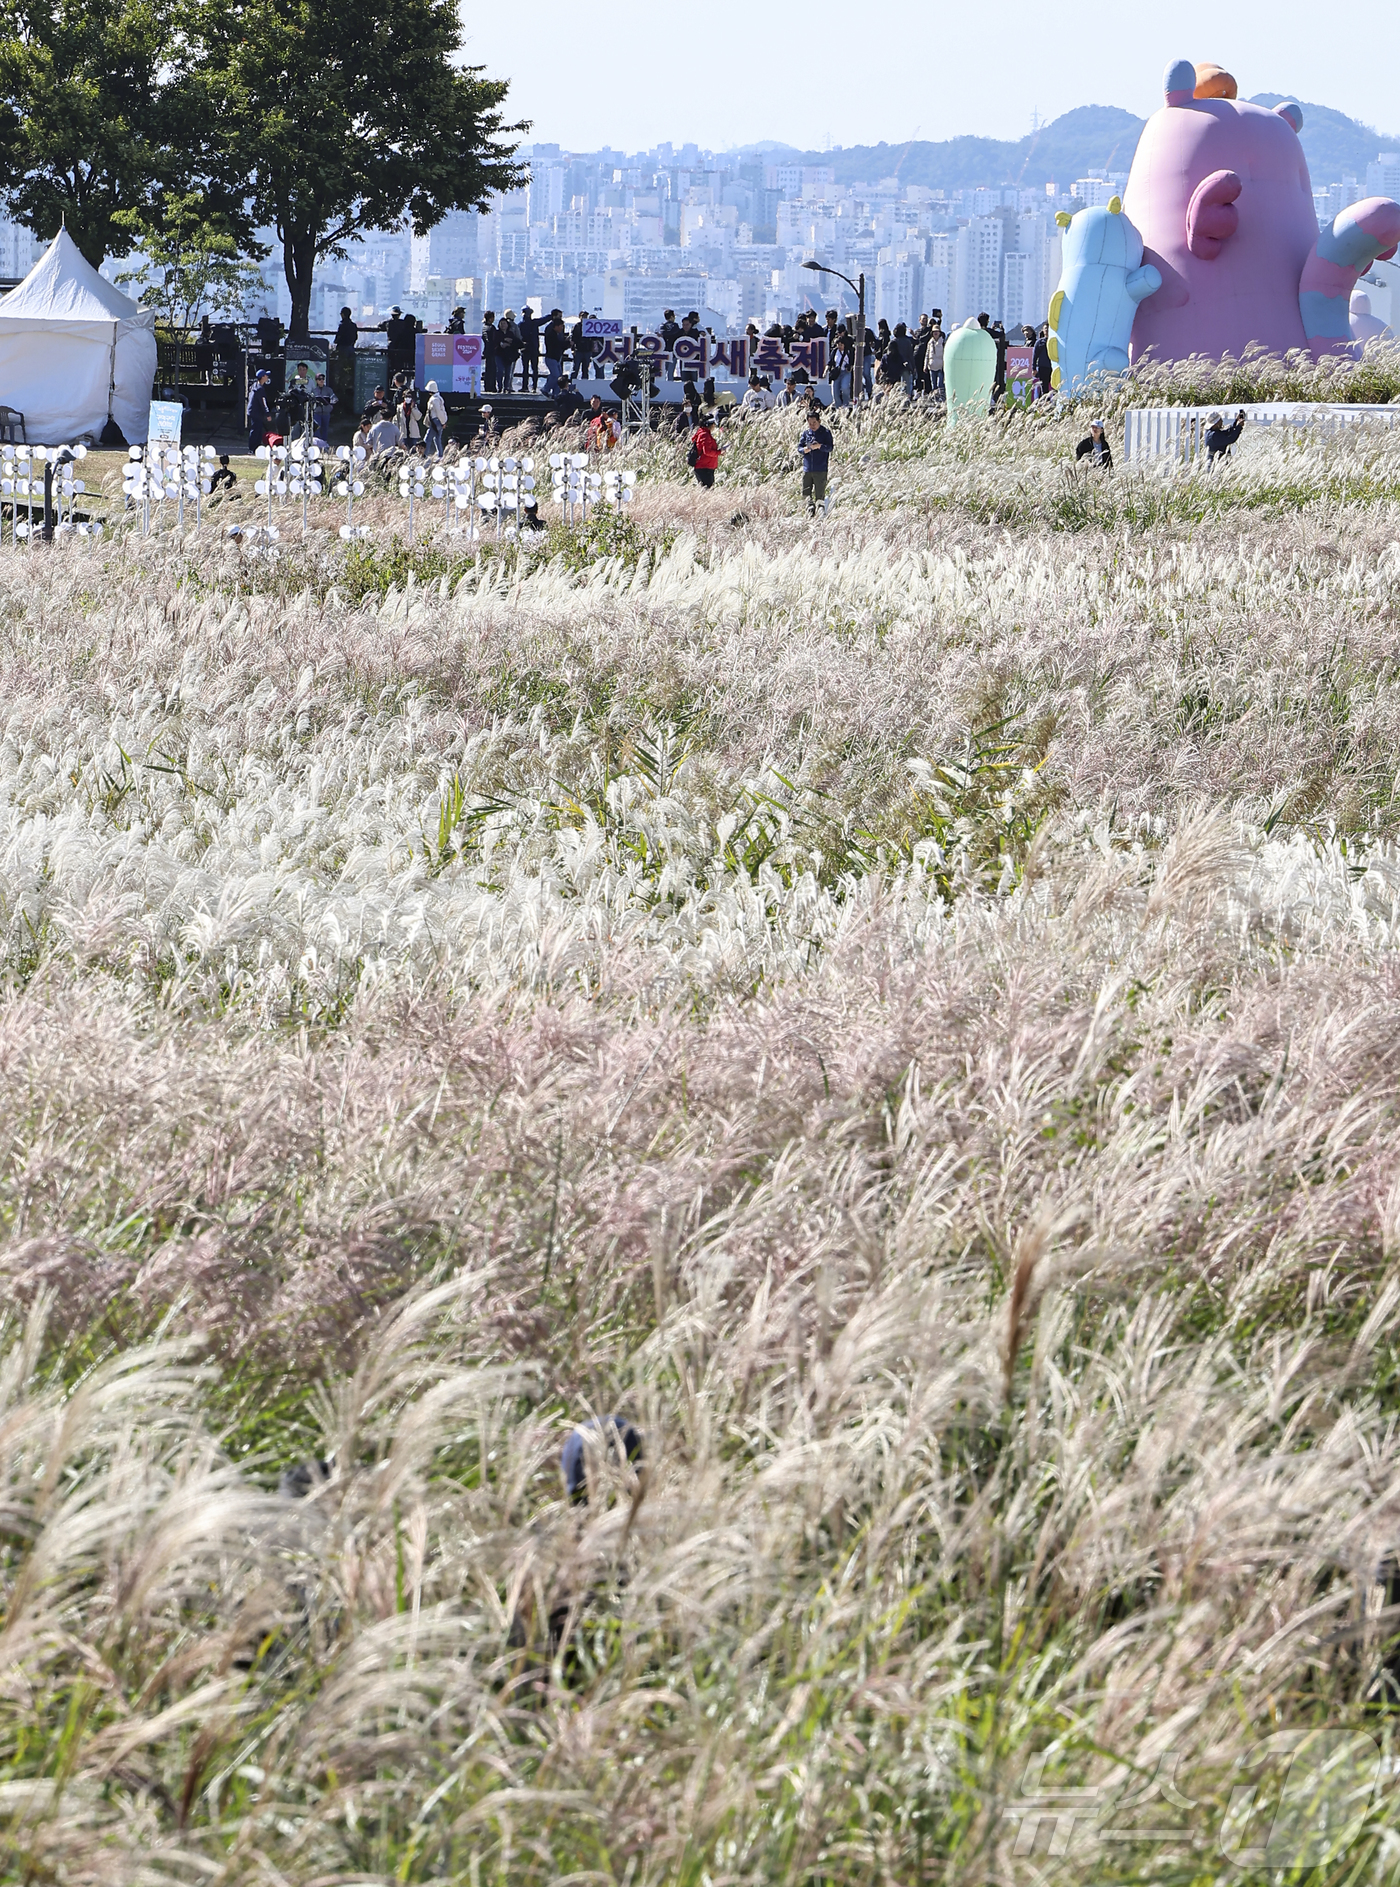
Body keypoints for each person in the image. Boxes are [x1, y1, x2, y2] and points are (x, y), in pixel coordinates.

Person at [798, 403, 834, 515]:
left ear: (819, 421)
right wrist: (804, 450)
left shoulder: (825, 433)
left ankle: (820, 512)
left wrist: (819, 446)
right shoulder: (806, 433)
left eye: (814, 423)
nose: (812, 425)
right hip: (807, 468)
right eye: (810, 423)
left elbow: (830, 447)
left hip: (820, 468)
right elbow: (799, 447)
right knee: (806, 492)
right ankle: (809, 510)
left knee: (820, 494)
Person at [689, 410, 721, 487]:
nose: (714, 425)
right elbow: (707, 451)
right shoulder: (704, 435)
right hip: (704, 467)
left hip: (706, 467)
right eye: (713, 424)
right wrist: (719, 452)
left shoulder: (704, 434)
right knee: (707, 491)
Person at [246, 368, 273, 452]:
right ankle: (252, 448)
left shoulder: (255, 385)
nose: (267, 377)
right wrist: (268, 414)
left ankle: (256, 448)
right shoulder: (260, 389)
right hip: (256, 412)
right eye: (266, 375)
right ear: (262, 377)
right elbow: (263, 403)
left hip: (253, 411)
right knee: (255, 430)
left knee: (258, 430)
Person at [543, 310, 568, 395]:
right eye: (560, 326)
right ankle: (545, 389)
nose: (562, 328)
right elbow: (558, 344)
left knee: (557, 376)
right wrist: (567, 343)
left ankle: (556, 393)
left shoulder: (556, 333)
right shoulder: (551, 334)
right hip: (552, 357)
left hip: (557, 357)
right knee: (556, 376)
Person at [423, 379, 448, 456]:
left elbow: (438, 412)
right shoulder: (438, 398)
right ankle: (440, 455)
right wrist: (444, 422)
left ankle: (424, 455)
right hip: (439, 421)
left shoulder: (435, 399)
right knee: (437, 439)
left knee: (428, 439)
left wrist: (443, 422)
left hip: (436, 421)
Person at [518, 307, 540, 391]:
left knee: (525, 369)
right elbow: (543, 320)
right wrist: (551, 316)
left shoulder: (521, 324)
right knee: (534, 368)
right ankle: (534, 387)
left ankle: (525, 387)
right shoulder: (534, 323)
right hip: (534, 349)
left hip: (525, 349)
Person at [311, 371, 335, 443]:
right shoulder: (314, 391)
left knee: (325, 429)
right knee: (317, 428)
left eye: (322, 379)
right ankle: (317, 443)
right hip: (317, 412)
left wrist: (330, 405)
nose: (321, 380)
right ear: (316, 381)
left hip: (326, 413)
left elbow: (335, 399)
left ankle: (324, 443)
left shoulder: (328, 390)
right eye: (319, 379)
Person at [481, 312, 500, 392]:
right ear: (491, 318)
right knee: (492, 370)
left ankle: (487, 386)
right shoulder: (491, 328)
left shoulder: (484, 327)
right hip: (492, 351)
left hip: (486, 351)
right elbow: (493, 340)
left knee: (488, 369)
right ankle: (492, 386)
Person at [927, 321, 946, 401]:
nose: (935, 333)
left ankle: (941, 398)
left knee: (940, 384)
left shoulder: (943, 342)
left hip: (940, 366)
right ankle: (935, 399)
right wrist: (926, 365)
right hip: (932, 365)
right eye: (934, 332)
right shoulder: (930, 342)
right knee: (933, 384)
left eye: (937, 331)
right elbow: (927, 354)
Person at [659, 307, 680, 377]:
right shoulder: (675, 326)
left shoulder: (662, 325)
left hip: (663, 351)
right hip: (673, 351)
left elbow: (660, 333)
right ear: (672, 316)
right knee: (670, 373)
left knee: (662, 371)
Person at [1033, 324, 1052, 398]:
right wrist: (1033, 368)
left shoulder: (1055, 341)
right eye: (1045, 329)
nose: (1047, 330)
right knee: (1044, 386)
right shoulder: (1039, 342)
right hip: (1043, 366)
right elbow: (1035, 356)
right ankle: (1044, 402)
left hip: (1053, 366)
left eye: (1048, 329)